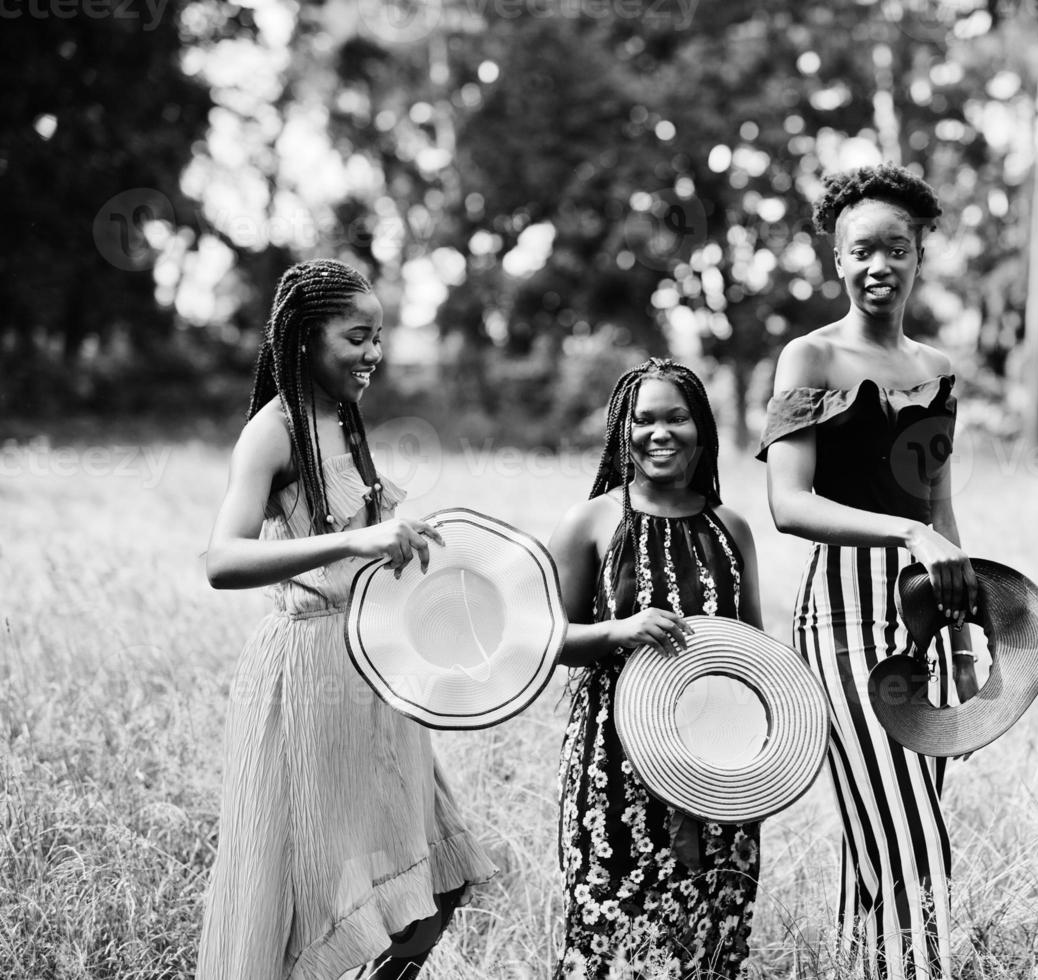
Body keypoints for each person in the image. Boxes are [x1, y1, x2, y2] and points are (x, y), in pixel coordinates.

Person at [199, 259, 493, 980]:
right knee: (311, 895)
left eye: (380, 337)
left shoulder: (342, 417)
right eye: (357, 336)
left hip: (373, 668)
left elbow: (359, 530)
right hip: (306, 674)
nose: (374, 354)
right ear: (303, 338)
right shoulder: (273, 432)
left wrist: (398, 533)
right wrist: (354, 539)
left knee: (438, 884)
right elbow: (221, 560)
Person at [759, 164, 979, 980]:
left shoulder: (936, 367)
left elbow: (941, 506)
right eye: (861, 251)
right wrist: (908, 535)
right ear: (837, 260)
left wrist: (961, 641)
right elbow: (788, 504)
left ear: (920, 252)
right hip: (844, 625)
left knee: (876, 843)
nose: (878, 264)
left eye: (896, 247)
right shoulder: (808, 357)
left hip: (926, 625)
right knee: (911, 843)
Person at [548, 357, 765, 980]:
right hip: (613, 767)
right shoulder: (592, 521)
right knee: (609, 939)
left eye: (678, 417)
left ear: (703, 430)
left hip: (716, 763)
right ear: (623, 430)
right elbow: (546, 639)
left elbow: (753, 650)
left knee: (709, 936)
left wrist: (763, 751)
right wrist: (619, 631)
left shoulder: (731, 529)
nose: (660, 432)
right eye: (643, 420)